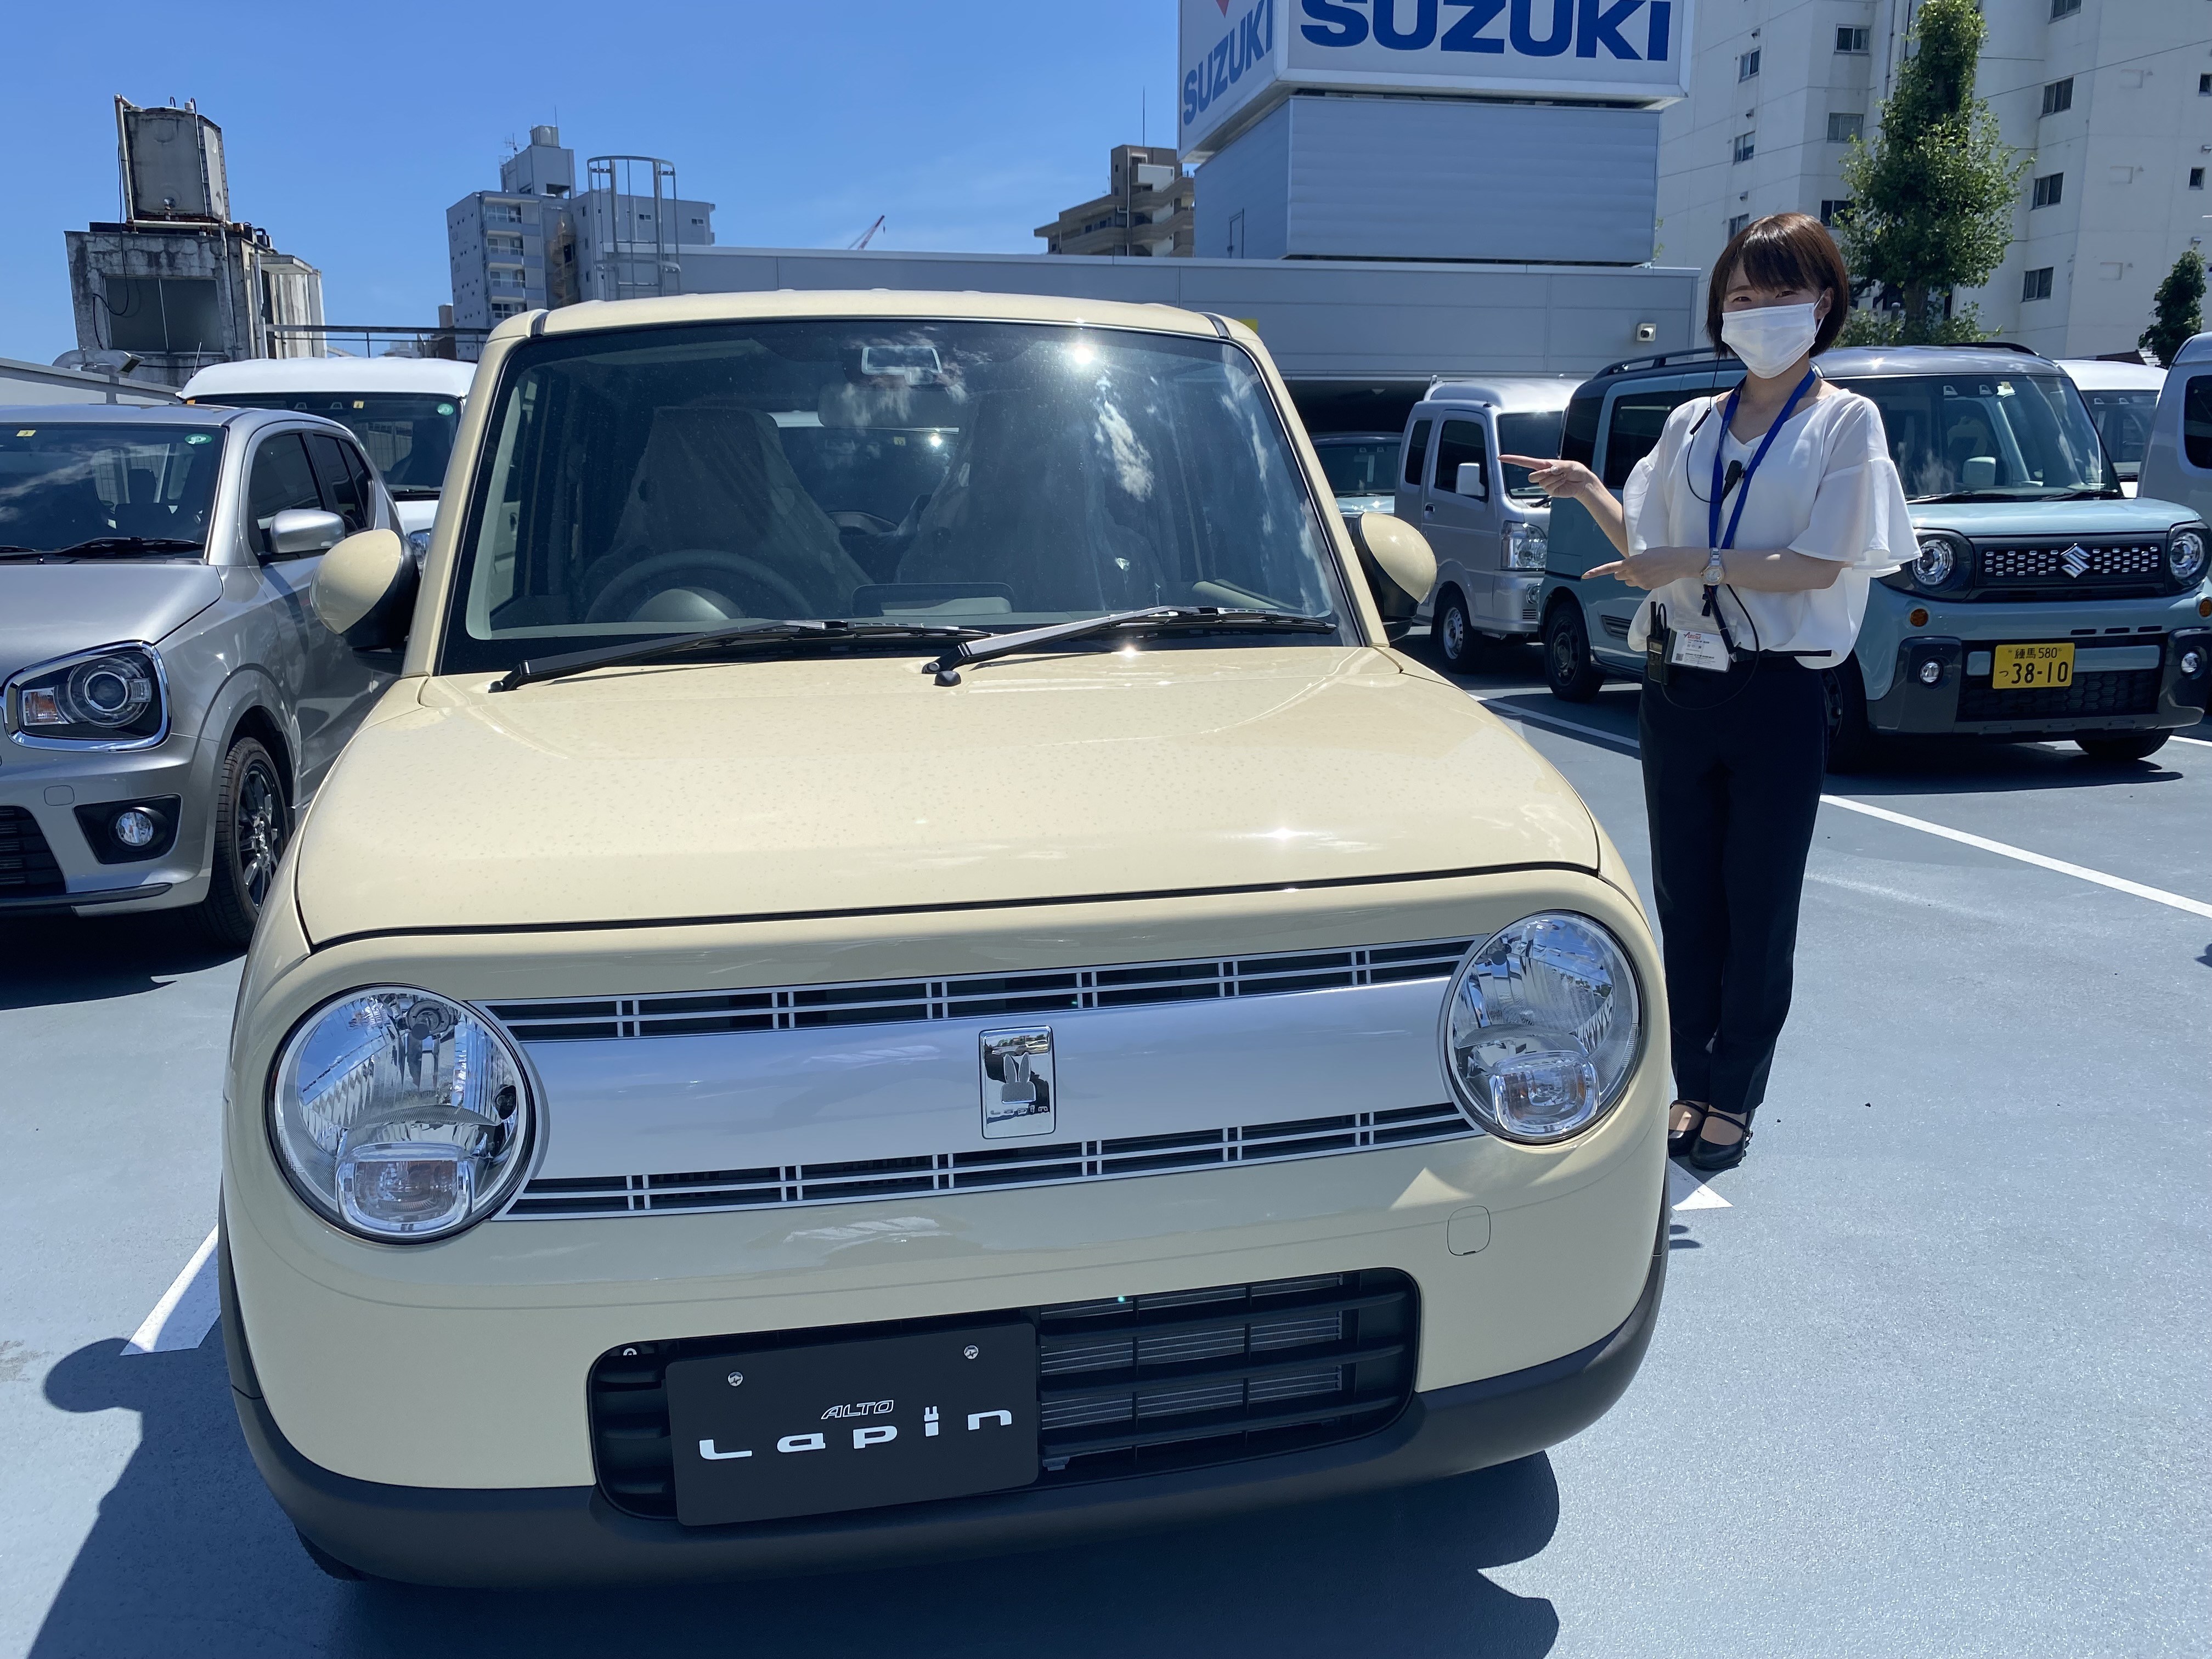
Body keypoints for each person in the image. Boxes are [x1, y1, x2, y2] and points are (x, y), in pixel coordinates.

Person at [1503, 213, 1910, 1172]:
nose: (1760, 312)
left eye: (1782, 294)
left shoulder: (1845, 422)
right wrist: (1588, 490)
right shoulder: (1691, 422)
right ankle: (1689, 1084)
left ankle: (1736, 1095)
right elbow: (1651, 550)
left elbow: (1819, 565)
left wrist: (1701, 561)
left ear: (1823, 303)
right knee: (1685, 900)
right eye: (1742, 297)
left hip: (1779, 694)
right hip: (1679, 685)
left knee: (1760, 902)